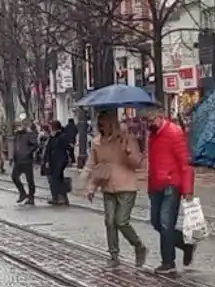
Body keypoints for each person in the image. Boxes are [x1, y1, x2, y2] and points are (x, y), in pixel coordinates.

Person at [85, 110, 148, 269]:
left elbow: (137, 163)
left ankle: (138, 246)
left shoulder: (126, 139)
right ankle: (113, 255)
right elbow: (94, 165)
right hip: (107, 186)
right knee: (109, 221)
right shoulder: (97, 142)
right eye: (99, 124)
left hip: (126, 186)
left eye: (104, 123)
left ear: (112, 123)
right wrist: (91, 187)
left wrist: (128, 151)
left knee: (121, 221)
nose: (101, 126)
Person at [143, 107, 196, 274]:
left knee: (166, 223)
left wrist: (187, 189)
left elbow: (185, 163)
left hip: (171, 184)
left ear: (160, 117)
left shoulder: (174, 133)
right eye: (146, 121)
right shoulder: (152, 135)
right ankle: (185, 244)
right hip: (156, 185)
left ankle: (168, 262)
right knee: (156, 222)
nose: (149, 124)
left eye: (151, 120)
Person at [42, 121, 71, 206]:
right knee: (57, 179)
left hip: (61, 160)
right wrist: (46, 161)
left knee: (55, 179)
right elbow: (48, 150)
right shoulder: (52, 137)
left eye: (51, 127)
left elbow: (67, 146)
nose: (50, 129)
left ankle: (58, 197)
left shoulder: (62, 136)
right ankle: (61, 197)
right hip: (52, 161)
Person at [11, 124, 37, 205]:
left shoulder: (28, 135)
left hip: (27, 161)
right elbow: (16, 147)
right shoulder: (17, 136)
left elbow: (35, 145)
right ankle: (22, 193)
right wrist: (13, 158)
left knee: (30, 180)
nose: (17, 128)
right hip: (18, 161)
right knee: (14, 177)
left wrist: (28, 153)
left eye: (19, 126)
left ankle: (31, 197)